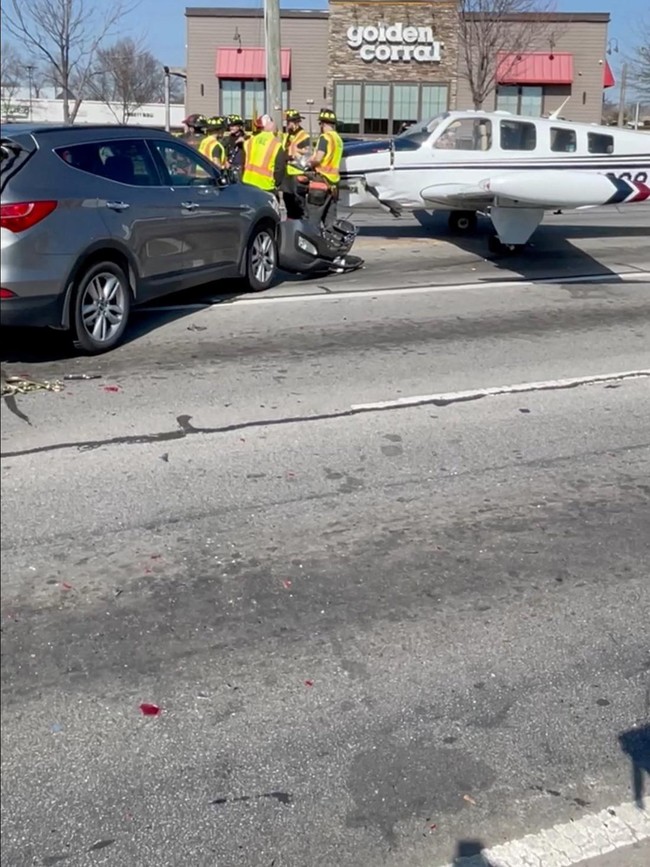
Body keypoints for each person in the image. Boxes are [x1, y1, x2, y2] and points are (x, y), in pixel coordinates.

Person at [306, 108, 344, 228]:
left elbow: (318, 158)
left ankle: (313, 244)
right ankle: (331, 245)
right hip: (333, 184)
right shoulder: (338, 140)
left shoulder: (325, 138)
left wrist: (309, 163)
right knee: (330, 221)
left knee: (313, 219)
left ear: (323, 124)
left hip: (320, 183)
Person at [241, 114, 287, 195]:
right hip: (266, 186)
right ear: (271, 125)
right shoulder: (276, 144)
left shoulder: (249, 142)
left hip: (247, 183)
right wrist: (277, 184)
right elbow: (280, 168)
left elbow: (243, 162)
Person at [282, 109, 311, 219]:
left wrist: (295, 155)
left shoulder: (303, 136)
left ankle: (304, 226)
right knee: (288, 202)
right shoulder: (287, 135)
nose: (287, 124)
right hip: (288, 174)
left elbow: (307, 155)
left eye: (289, 122)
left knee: (299, 204)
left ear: (296, 122)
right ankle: (291, 226)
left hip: (298, 173)